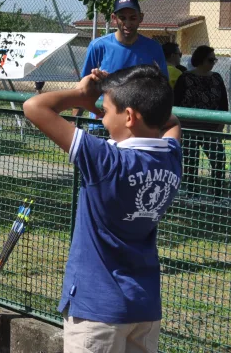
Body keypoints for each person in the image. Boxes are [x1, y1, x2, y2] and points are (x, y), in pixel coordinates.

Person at [23, 66, 181, 353]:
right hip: (144, 307)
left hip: (97, 310)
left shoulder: (106, 160)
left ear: (130, 117)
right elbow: (169, 120)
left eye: (105, 111)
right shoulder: (171, 157)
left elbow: (34, 106)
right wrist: (129, 88)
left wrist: (81, 95)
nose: (102, 117)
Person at [173, 45, 228, 198]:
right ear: (200, 60)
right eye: (210, 59)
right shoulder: (185, 78)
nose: (213, 62)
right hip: (189, 128)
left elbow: (223, 103)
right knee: (191, 162)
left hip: (211, 129)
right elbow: (175, 103)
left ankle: (217, 194)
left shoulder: (216, 78)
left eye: (214, 59)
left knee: (218, 159)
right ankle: (192, 193)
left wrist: (220, 125)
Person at [82, 0, 168, 79]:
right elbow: (84, 86)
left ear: (140, 18)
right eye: (122, 18)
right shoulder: (98, 46)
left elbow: (163, 86)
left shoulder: (154, 48)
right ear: (114, 18)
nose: (127, 23)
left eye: (133, 18)